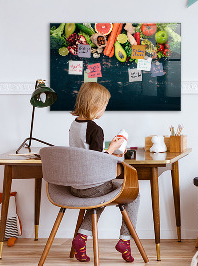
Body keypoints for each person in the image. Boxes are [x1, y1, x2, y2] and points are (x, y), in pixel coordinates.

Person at [69, 82, 139, 263]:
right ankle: (125, 240)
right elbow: (97, 161)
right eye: (104, 106)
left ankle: (81, 238)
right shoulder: (95, 129)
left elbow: (86, 154)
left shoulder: (74, 125)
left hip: (75, 186)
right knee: (134, 194)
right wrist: (114, 148)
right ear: (96, 105)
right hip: (92, 186)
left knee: (99, 197)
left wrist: (108, 149)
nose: (104, 110)